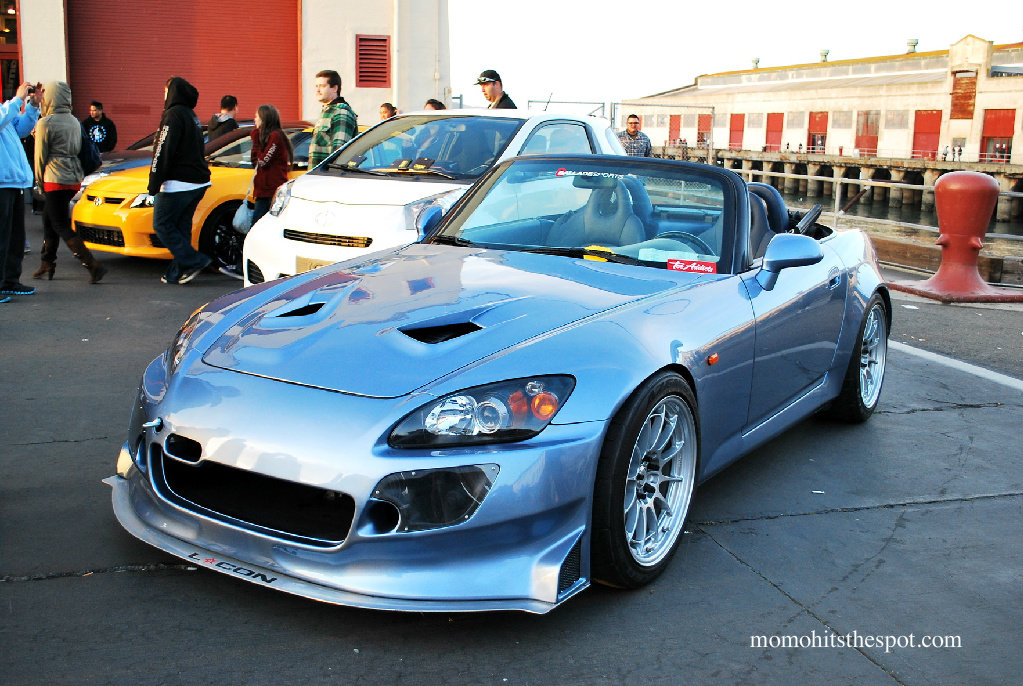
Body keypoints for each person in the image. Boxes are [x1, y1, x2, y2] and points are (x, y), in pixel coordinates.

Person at [31, 81, 107, 284]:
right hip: (73, 176)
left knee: (59, 224)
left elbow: (40, 158)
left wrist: (39, 182)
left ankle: (92, 265)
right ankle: (47, 263)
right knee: (49, 219)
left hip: (54, 177)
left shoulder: (45, 123)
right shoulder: (74, 121)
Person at [149, 76, 212, 284]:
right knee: (181, 227)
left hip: (178, 183)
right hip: (198, 181)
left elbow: (163, 149)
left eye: (165, 91)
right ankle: (175, 273)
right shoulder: (190, 115)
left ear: (172, 92)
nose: (163, 95)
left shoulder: (173, 115)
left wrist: (154, 182)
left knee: (162, 224)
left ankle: (196, 260)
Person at [220, 104, 294, 280]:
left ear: (265, 118)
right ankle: (247, 267)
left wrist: (255, 139)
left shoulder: (275, 136)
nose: (255, 120)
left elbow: (263, 161)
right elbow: (256, 162)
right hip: (263, 189)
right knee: (260, 230)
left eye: (257, 116)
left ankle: (242, 268)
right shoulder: (266, 137)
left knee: (255, 230)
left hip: (270, 190)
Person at [0, 81, 41, 302]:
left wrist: (32, 106)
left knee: (15, 237)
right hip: (2, 184)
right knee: (1, 236)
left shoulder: (5, 109)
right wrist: (18, 100)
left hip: (13, 182)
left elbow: (22, 128)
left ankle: (10, 281)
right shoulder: (6, 109)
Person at [308, 70, 358, 168]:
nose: (318, 90)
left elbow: (339, 152)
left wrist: (331, 173)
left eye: (322, 86)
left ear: (335, 88)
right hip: (318, 174)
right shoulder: (327, 111)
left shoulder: (341, 111)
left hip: (328, 174)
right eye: (316, 86)